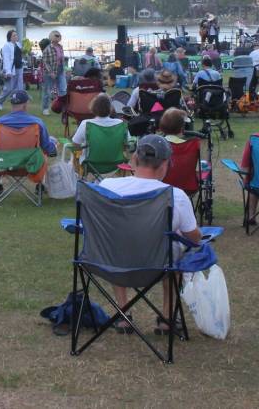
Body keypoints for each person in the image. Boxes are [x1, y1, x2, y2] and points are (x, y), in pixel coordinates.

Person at [97, 134, 201, 332]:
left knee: (119, 241)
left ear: (134, 159)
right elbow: (194, 238)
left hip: (112, 263)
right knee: (177, 253)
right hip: (158, 266)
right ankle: (167, 318)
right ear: (165, 165)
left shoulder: (106, 187)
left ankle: (122, 314)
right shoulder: (175, 196)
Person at [0, 89, 57, 155]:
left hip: (4, 166)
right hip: (31, 167)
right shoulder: (38, 123)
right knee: (51, 140)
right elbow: (49, 149)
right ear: (26, 104)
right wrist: (53, 141)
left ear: (12, 104)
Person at [70, 93, 126, 165]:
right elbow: (126, 144)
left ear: (93, 107)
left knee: (75, 153)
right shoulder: (120, 124)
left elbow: (75, 144)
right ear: (110, 108)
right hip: (115, 166)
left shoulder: (86, 124)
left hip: (91, 165)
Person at [0, 29, 24, 110]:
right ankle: (0, 102)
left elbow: (20, 56)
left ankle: (18, 105)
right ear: (10, 37)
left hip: (19, 68)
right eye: (14, 35)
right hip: (11, 69)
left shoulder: (18, 44)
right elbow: (6, 59)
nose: (16, 37)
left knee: (19, 88)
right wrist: (8, 71)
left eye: (16, 35)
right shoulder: (6, 46)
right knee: (8, 88)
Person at [41, 30, 67, 114]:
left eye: (59, 35)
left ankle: (62, 107)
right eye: (56, 35)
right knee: (47, 91)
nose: (58, 37)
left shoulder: (60, 47)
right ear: (52, 37)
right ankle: (45, 108)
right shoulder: (47, 49)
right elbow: (45, 62)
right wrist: (51, 72)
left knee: (63, 90)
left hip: (60, 70)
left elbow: (62, 59)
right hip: (49, 72)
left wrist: (64, 69)